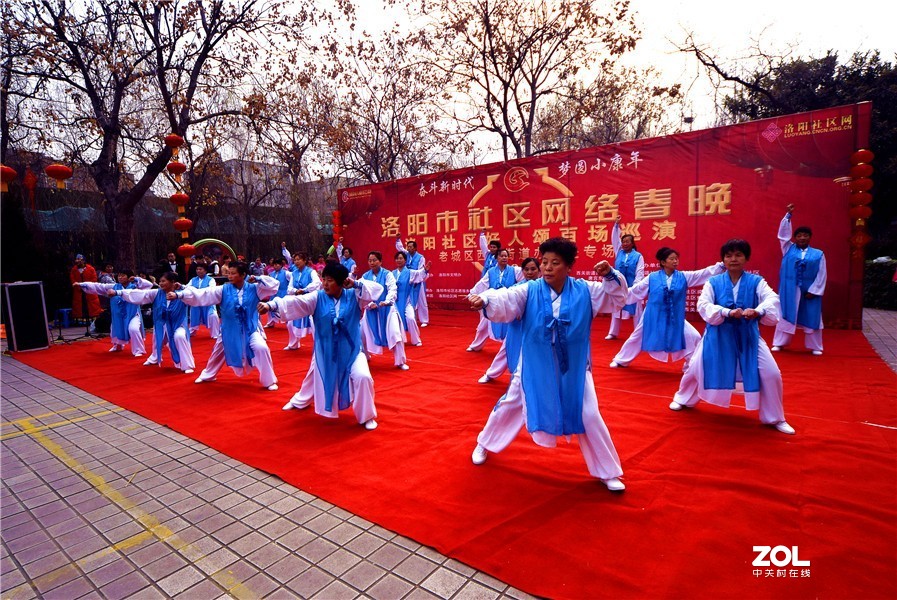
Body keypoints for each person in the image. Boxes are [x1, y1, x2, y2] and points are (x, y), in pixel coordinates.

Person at [468, 238, 629, 491]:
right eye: (544, 262)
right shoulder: (529, 289)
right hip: (533, 362)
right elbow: (506, 298)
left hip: (573, 366)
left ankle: (607, 471)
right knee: (512, 403)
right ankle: (485, 443)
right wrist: (487, 300)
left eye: (555, 263)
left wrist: (610, 274)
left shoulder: (586, 290)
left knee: (588, 413)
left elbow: (617, 298)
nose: (548, 267)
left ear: (568, 266)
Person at [669, 239, 795, 435]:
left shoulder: (756, 282)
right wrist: (726, 312)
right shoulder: (713, 282)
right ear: (723, 260)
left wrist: (758, 311)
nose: (733, 259)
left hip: (748, 336)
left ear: (746, 258)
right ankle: (683, 398)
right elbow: (704, 305)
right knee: (695, 368)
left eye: (738, 255)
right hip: (718, 335)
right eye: (728, 256)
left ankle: (775, 417)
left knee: (771, 373)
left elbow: (772, 299)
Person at [259, 263, 384, 430]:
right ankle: (299, 401)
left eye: (330, 280)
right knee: (315, 376)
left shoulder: (355, 296)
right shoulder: (317, 297)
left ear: (341, 281)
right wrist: (271, 305)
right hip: (325, 351)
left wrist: (354, 283)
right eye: (323, 279)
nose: (325, 283)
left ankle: (366, 416)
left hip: (352, 351)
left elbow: (377, 290)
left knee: (363, 377)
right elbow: (296, 302)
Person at [609, 248, 724, 369]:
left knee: (693, 336)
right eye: (672, 259)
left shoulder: (684, 277)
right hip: (653, 315)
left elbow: (702, 274)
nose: (675, 261)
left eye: (676, 259)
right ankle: (621, 360)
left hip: (675, 317)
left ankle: (691, 365)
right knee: (637, 337)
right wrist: (618, 296)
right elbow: (636, 290)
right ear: (663, 262)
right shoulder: (652, 278)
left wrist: (720, 267)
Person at [173, 262, 280, 390]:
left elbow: (274, 285)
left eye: (233, 273)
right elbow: (203, 294)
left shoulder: (255, 288)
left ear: (243, 274)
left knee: (261, 347)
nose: (229, 276)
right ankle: (208, 374)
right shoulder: (223, 290)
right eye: (228, 273)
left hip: (250, 330)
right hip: (228, 330)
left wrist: (258, 278)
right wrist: (180, 294)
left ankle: (269, 381)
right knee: (218, 353)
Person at [109, 272, 195, 373]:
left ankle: (187, 365)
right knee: (157, 339)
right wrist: (118, 293)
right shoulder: (157, 293)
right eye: (160, 281)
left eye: (163, 281)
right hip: (161, 323)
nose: (161, 283)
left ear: (172, 282)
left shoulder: (182, 293)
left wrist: (182, 287)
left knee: (179, 336)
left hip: (178, 324)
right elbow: (140, 294)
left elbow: (194, 293)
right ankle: (154, 357)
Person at [772, 204, 827, 355]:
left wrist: (815, 291)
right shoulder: (787, 248)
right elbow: (783, 235)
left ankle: (815, 346)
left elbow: (822, 274)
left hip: (809, 290)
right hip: (790, 289)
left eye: (805, 235)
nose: (802, 237)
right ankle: (779, 343)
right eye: (799, 235)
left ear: (810, 237)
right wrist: (788, 216)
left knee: (812, 315)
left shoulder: (818, 254)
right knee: (786, 314)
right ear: (795, 238)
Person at [477, 257, 540, 383]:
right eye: (526, 269)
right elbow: (506, 300)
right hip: (517, 328)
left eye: (533, 269)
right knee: (506, 351)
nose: (530, 272)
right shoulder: (517, 287)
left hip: (536, 329)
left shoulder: (545, 288)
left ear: (539, 270)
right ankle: (491, 374)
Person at [74, 270, 152, 355]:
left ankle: (138, 350)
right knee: (115, 329)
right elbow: (98, 286)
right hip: (118, 315)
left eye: (123, 275)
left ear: (129, 277)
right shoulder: (114, 286)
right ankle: (117, 346)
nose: (120, 277)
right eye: (119, 275)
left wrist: (137, 279)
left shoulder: (136, 286)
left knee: (133, 329)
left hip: (133, 314)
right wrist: (81, 284)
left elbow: (149, 285)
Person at [466, 249, 524, 352]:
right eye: (501, 256)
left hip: (508, 302)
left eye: (506, 256)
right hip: (492, 302)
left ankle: (512, 348)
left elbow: (525, 279)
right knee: (482, 326)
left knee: (512, 327)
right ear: (497, 258)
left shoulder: (515, 270)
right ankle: (476, 345)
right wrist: (472, 293)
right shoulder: (491, 272)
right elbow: (482, 284)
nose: (504, 258)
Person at [360, 251, 409, 370]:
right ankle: (364, 357)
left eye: (374, 260)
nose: (372, 263)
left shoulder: (387, 274)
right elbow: (361, 293)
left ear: (380, 261)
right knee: (361, 334)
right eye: (370, 260)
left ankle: (400, 361)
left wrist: (386, 301)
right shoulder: (365, 277)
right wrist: (370, 304)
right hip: (371, 311)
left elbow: (392, 289)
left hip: (387, 310)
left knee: (395, 334)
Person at [606, 216, 645, 340]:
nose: (625, 244)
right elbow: (614, 240)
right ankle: (613, 332)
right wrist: (616, 225)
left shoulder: (638, 256)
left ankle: (638, 333)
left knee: (636, 310)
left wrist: (635, 287)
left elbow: (640, 271)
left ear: (633, 243)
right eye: (623, 242)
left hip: (632, 286)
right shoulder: (619, 252)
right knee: (616, 308)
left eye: (628, 241)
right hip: (619, 286)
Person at [392, 250, 432, 347]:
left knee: (410, 318)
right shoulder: (391, 274)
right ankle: (396, 339)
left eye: (401, 258)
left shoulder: (410, 272)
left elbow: (420, 274)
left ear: (405, 260)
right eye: (397, 258)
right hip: (394, 303)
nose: (399, 260)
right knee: (394, 321)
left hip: (406, 302)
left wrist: (425, 270)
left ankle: (416, 340)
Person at [282, 252, 321, 351]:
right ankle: (293, 344)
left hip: (309, 299)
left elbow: (317, 283)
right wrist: (295, 291)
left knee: (313, 323)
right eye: (295, 260)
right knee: (290, 323)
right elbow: (289, 288)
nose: (296, 261)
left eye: (299, 259)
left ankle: (319, 346)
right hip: (298, 299)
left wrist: (305, 290)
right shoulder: (294, 273)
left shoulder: (311, 272)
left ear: (304, 260)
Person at [395, 236, 430, 327]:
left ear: (415, 248)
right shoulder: (406, 254)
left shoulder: (420, 257)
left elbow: (420, 270)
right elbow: (400, 248)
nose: (409, 248)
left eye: (411, 247)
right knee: (410, 299)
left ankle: (424, 320)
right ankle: (412, 318)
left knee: (421, 300)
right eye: (408, 247)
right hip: (408, 280)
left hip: (417, 280)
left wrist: (416, 280)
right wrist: (398, 239)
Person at [186, 262, 220, 339]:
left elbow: (211, 289)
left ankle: (215, 333)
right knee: (193, 315)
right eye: (197, 269)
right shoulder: (193, 280)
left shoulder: (211, 279)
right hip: (196, 302)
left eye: (200, 269)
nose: (198, 271)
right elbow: (187, 288)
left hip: (208, 302)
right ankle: (192, 330)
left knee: (213, 316)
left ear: (205, 271)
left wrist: (197, 291)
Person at [69, 254, 103, 323]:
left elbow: (94, 279)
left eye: (80, 260)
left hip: (90, 290)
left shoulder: (91, 269)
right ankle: (80, 320)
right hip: (79, 291)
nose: (78, 261)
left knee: (92, 304)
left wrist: (88, 286)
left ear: (84, 261)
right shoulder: (74, 270)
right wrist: (78, 286)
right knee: (79, 305)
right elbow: (73, 279)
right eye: (77, 259)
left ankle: (92, 319)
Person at [264, 258, 291, 328]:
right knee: (270, 308)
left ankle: (288, 322)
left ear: (281, 265)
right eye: (274, 265)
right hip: (273, 294)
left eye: (277, 264)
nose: (275, 266)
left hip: (283, 293)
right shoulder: (271, 274)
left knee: (284, 308)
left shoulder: (286, 273)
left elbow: (293, 278)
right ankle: (271, 322)